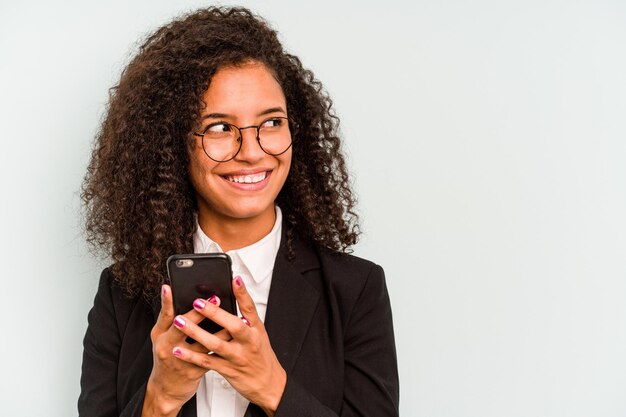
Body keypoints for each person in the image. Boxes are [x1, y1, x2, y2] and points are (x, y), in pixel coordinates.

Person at [78, 6, 399, 417]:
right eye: (219, 128)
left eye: (271, 122)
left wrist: (272, 387)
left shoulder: (356, 290)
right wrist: (161, 397)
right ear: (172, 143)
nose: (252, 152)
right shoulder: (121, 294)